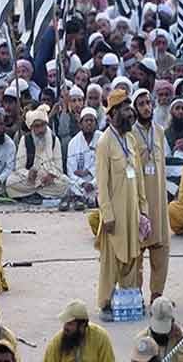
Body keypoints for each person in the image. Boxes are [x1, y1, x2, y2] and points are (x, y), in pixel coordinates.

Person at [93, 90, 147, 320]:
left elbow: (140, 177)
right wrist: (107, 214)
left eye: (129, 108)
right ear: (113, 113)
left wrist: (143, 211)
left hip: (132, 211)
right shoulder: (105, 142)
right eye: (125, 109)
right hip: (114, 213)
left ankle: (130, 298)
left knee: (134, 257)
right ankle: (105, 303)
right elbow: (101, 183)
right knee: (111, 261)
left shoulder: (130, 138)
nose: (130, 113)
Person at [129, 89, 170, 304]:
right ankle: (135, 295)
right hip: (139, 199)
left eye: (148, 103)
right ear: (135, 108)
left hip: (159, 200)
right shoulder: (130, 134)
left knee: (161, 249)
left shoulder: (160, 132)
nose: (146, 107)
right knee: (137, 252)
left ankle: (157, 294)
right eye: (141, 104)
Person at [5, 104, 70, 203]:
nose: (40, 130)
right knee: (10, 183)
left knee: (65, 183)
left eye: (42, 125)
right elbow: (19, 167)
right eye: (37, 126)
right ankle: (40, 194)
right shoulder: (25, 140)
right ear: (31, 127)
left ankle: (32, 194)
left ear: (46, 124)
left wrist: (51, 175)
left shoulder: (54, 140)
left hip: (48, 181)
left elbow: (59, 168)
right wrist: (28, 174)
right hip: (30, 180)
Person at [43, 299, 115, 362]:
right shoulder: (57, 342)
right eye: (65, 323)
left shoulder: (100, 338)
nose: (65, 327)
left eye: (70, 324)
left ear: (82, 325)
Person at [135, 296, 183, 361]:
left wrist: (180, 346)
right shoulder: (142, 339)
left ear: (172, 320)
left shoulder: (181, 339)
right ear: (151, 315)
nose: (160, 334)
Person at [65, 107, 102, 210]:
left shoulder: (102, 139)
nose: (89, 123)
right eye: (86, 120)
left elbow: (104, 166)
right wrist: (83, 182)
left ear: (96, 123)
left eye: (92, 120)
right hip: (79, 184)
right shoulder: (73, 142)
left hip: (98, 181)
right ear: (80, 124)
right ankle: (86, 199)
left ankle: (85, 199)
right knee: (66, 182)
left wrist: (92, 181)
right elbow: (71, 171)